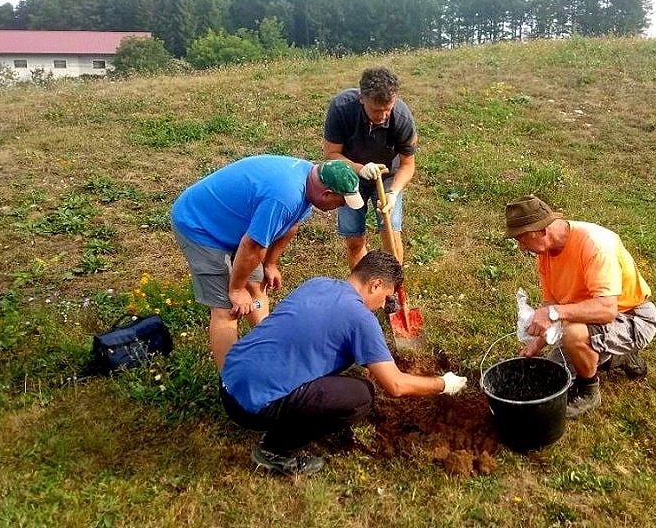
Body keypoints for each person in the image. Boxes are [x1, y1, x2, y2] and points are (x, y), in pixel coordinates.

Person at [219, 250, 468, 476]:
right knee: (361, 395)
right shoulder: (360, 319)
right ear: (376, 285)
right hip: (251, 407)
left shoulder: (318, 283)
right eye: (386, 297)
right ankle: (274, 450)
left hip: (229, 381)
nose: (383, 306)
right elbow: (396, 385)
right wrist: (443, 384)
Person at [171, 155, 364, 370]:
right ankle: (231, 384)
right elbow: (252, 246)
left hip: (238, 224)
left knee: (256, 288)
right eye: (341, 202)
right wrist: (235, 289)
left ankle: (269, 351)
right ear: (327, 194)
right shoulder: (285, 196)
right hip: (201, 226)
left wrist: (270, 264)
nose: (341, 207)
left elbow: (291, 225)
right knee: (227, 310)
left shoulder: (311, 181)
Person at [504, 195, 656, 419]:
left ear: (539, 231)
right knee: (556, 375)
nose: (521, 247)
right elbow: (552, 303)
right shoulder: (546, 252)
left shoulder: (595, 245)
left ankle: (589, 392)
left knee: (574, 335)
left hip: (632, 317)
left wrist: (554, 313)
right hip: (589, 317)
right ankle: (618, 357)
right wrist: (535, 345)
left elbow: (607, 310)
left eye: (521, 240)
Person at [322, 66, 418, 270]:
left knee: (390, 236)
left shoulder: (402, 118)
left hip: (388, 178)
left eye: (388, 109)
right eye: (376, 110)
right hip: (349, 176)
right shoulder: (341, 108)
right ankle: (361, 292)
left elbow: (408, 165)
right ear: (361, 99)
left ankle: (392, 294)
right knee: (355, 240)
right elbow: (331, 155)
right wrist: (360, 169)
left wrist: (393, 193)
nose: (383, 116)